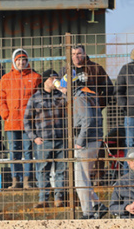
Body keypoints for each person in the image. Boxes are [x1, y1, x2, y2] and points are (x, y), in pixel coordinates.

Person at [0, 49, 41, 189]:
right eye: (18, 60)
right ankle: (16, 181)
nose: (21, 62)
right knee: (14, 152)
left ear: (27, 61)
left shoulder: (35, 77)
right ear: (14, 61)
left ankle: (27, 181)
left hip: (29, 123)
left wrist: (36, 116)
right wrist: (6, 114)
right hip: (12, 122)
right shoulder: (6, 78)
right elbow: (0, 98)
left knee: (28, 151)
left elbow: (40, 98)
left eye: (24, 60)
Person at [24, 70, 68, 209]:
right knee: (43, 171)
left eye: (56, 78)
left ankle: (59, 198)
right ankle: (43, 199)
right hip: (44, 140)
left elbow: (72, 111)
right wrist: (34, 137)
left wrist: (65, 92)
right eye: (52, 79)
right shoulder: (35, 98)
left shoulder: (62, 96)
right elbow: (26, 120)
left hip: (61, 139)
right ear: (45, 81)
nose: (54, 81)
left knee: (61, 170)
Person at [70, 77, 109, 219]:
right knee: (83, 179)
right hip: (94, 139)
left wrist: (80, 141)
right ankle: (98, 205)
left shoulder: (79, 98)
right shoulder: (89, 95)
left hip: (86, 142)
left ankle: (88, 213)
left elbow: (88, 119)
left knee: (81, 180)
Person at [69, 45, 113, 111]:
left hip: (92, 110)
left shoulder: (96, 68)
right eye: (73, 54)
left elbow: (109, 88)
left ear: (84, 54)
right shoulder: (66, 70)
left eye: (79, 53)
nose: (76, 56)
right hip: (73, 112)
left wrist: (98, 105)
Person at [115, 48, 134, 152]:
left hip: (130, 112)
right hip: (131, 114)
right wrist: (125, 107)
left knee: (130, 144)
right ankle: (128, 169)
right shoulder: (126, 69)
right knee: (130, 145)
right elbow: (118, 90)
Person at [109, 153, 134, 218]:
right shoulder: (121, 182)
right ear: (128, 162)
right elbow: (112, 208)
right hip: (127, 220)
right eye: (132, 160)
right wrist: (126, 207)